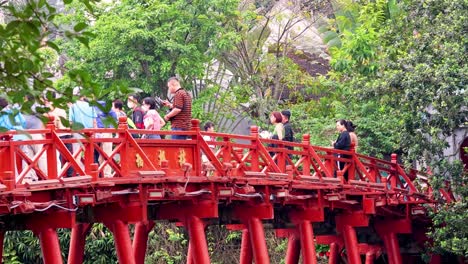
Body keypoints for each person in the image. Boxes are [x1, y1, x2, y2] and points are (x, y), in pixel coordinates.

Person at [44, 93, 74, 177]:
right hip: (66, 132)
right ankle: (70, 174)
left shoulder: (50, 108)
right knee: (68, 155)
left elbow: (54, 122)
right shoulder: (61, 107)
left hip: (58, 134)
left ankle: (59, 173)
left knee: (58, 156)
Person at [69, 87, 96, 169]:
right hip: (90, 133)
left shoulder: (73, 106)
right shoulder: (90, 106)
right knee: (90, 153)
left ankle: (80, 172)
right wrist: (95, 132)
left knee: (77, 153)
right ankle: (90, 171)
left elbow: (71, 122)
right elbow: (94, 121)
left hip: (77, 132)